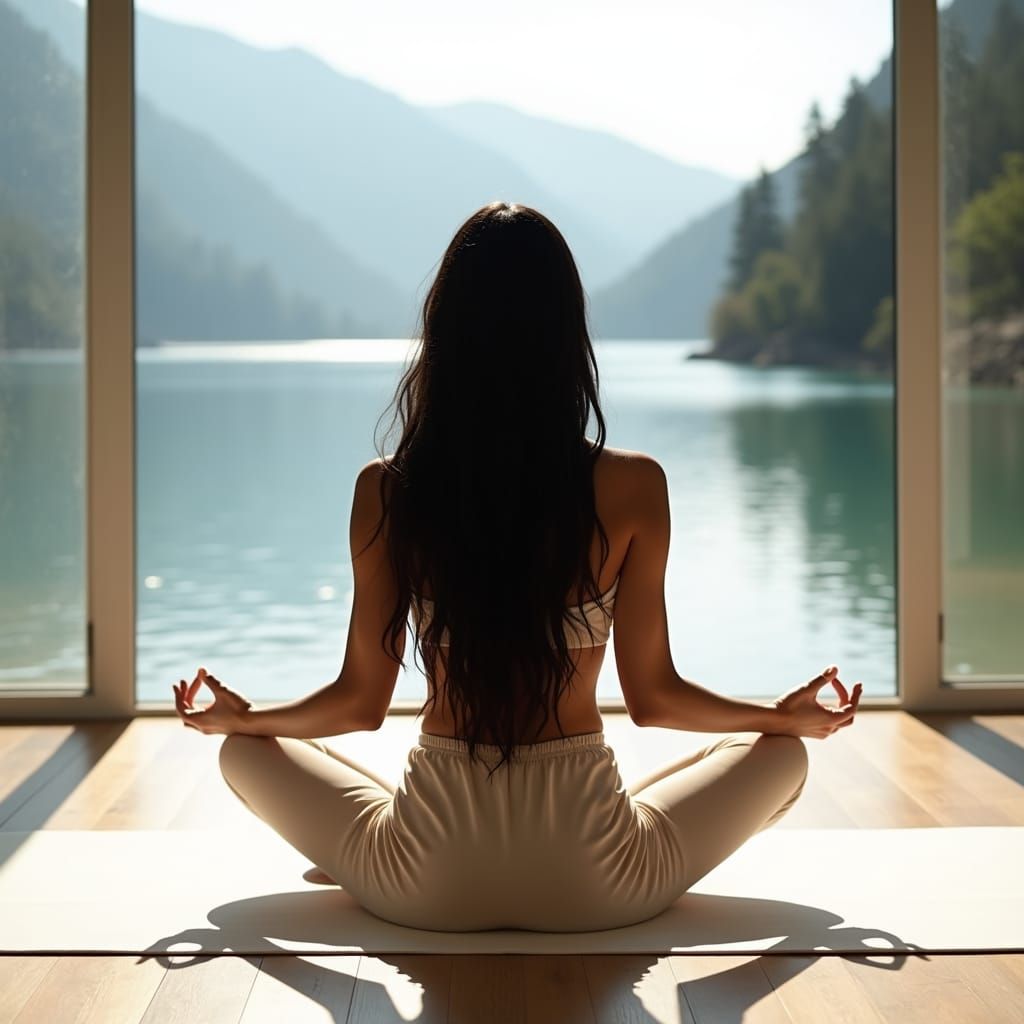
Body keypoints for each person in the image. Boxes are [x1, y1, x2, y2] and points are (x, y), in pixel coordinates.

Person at [172, 201, 862, 933]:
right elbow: (656, 701)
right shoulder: (634, 487)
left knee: (243, 757)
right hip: (595, 881)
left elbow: (359, 704)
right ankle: (403, 845)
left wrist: (242, 721)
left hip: (424, 880)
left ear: (444, 336)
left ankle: (355, 855)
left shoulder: (388, 492)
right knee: (782, 756)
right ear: (567, 336)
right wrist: (777, 717)